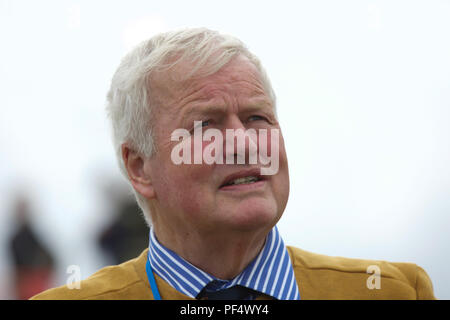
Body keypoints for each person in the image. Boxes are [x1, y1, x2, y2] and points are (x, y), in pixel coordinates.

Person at [31, 28, 435, 300]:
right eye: (206, 126)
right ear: (140, 167)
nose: (245, 144)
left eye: (257, 118)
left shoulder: (392, 291)